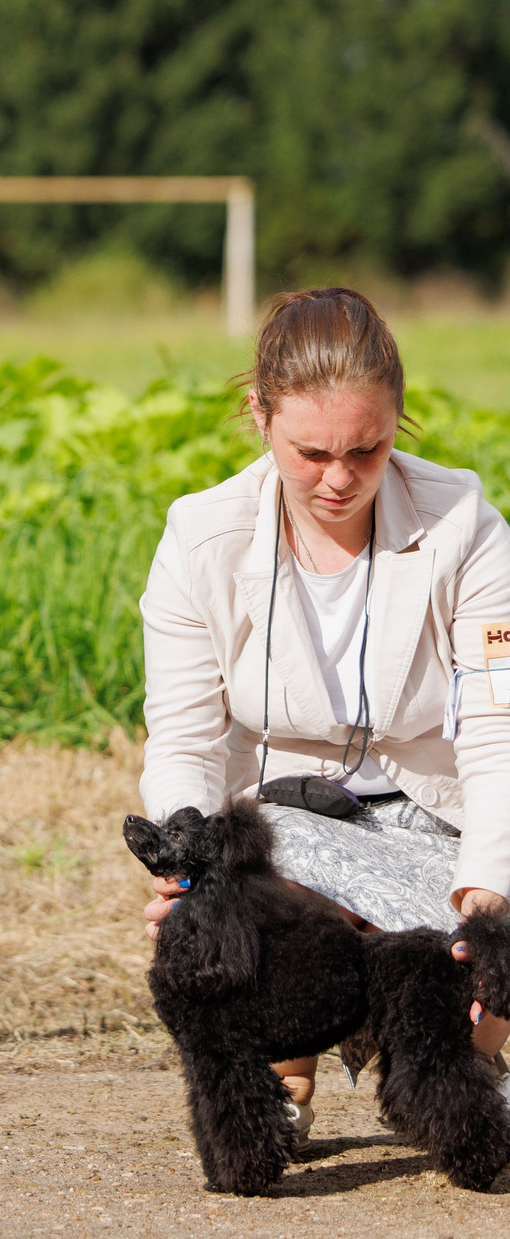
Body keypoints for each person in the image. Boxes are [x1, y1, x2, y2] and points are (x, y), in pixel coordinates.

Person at [140, 287, 510, 1136]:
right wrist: (188, 874)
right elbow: (185, 739)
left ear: (399, 420)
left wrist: (487, 900)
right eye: (311, 453)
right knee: (259, 846)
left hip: (440, 820)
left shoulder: (470, 527)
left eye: (367, 450)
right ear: (258, 416)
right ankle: (287, 1079)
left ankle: (464, 1059)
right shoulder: (199, 539)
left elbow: (498, 729)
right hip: (287, 828)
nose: (339, 479)